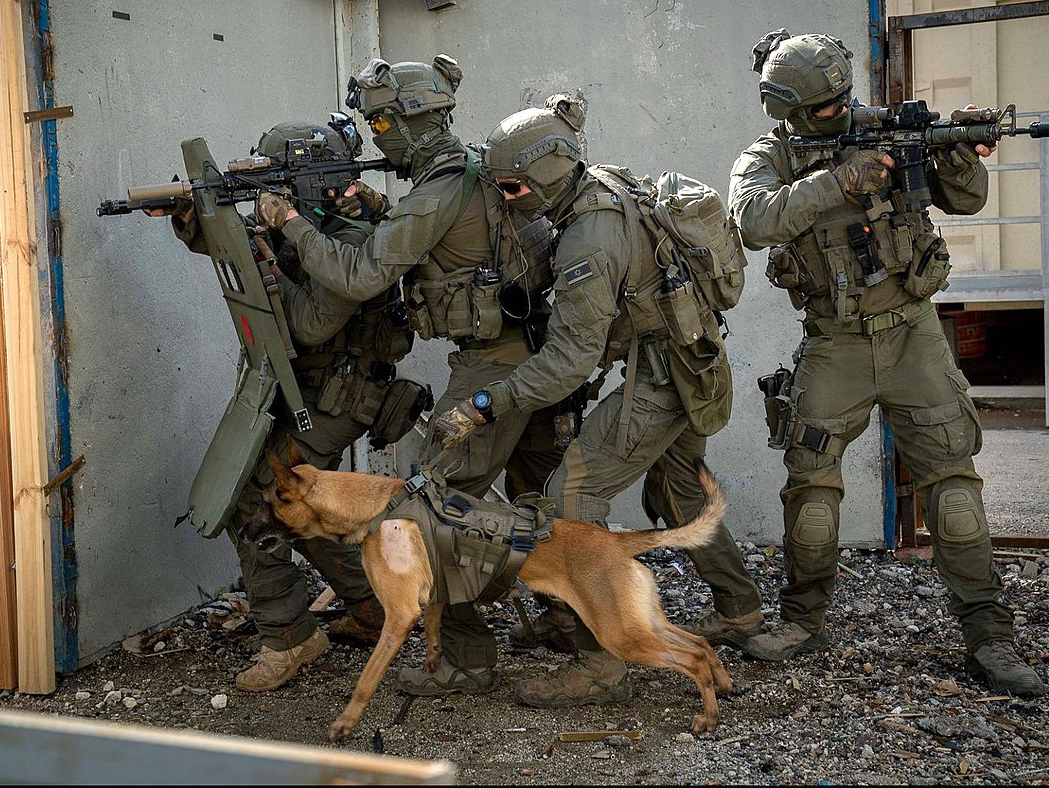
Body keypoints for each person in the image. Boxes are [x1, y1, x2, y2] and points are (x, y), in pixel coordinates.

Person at [728, 29, 1046, 696]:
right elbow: (754, 221)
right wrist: (837, 181)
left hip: (914, 335)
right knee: (811, 493)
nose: (841, 113)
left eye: (843, 98)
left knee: (954, 491)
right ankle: (803, 619)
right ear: (788, 112)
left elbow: (966, 200)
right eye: (823, 109)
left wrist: (959, 155)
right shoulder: (769, 157)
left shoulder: (887, 129)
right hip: (834, 343)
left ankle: (990, 636)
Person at [433, 95, 764, 708]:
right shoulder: (603, 182)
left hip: (661, 380)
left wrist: (486, 401)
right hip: (692, 359)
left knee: (571, 499)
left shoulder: (586, 241)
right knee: (679, 492)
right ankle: (742, 613)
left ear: (544, 178)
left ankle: (598, 664)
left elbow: (570, 359)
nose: (507, 200)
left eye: (512, 188)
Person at [253, 57, 566, 696]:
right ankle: (574, 628)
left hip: (495, 361)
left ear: (414, 120)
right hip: (534, 354)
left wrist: (288, 223)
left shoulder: (440, 185)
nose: (376, 135)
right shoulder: (466, 169)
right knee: (543, 501)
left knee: (428, 508)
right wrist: (376, 205)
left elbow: (362, 274)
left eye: (383, 121)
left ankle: (470, 659)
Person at [157, 119, 421, 693]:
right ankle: (373, 607)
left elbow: (309, 320)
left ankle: (289, 639)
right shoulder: (315, 221)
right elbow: (245, 248)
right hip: (300, 392)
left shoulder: (353, 238)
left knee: (257, 504)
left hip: (335, 398)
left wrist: (274, 253)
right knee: (308, 513)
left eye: (280, 181)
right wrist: (193, 219)